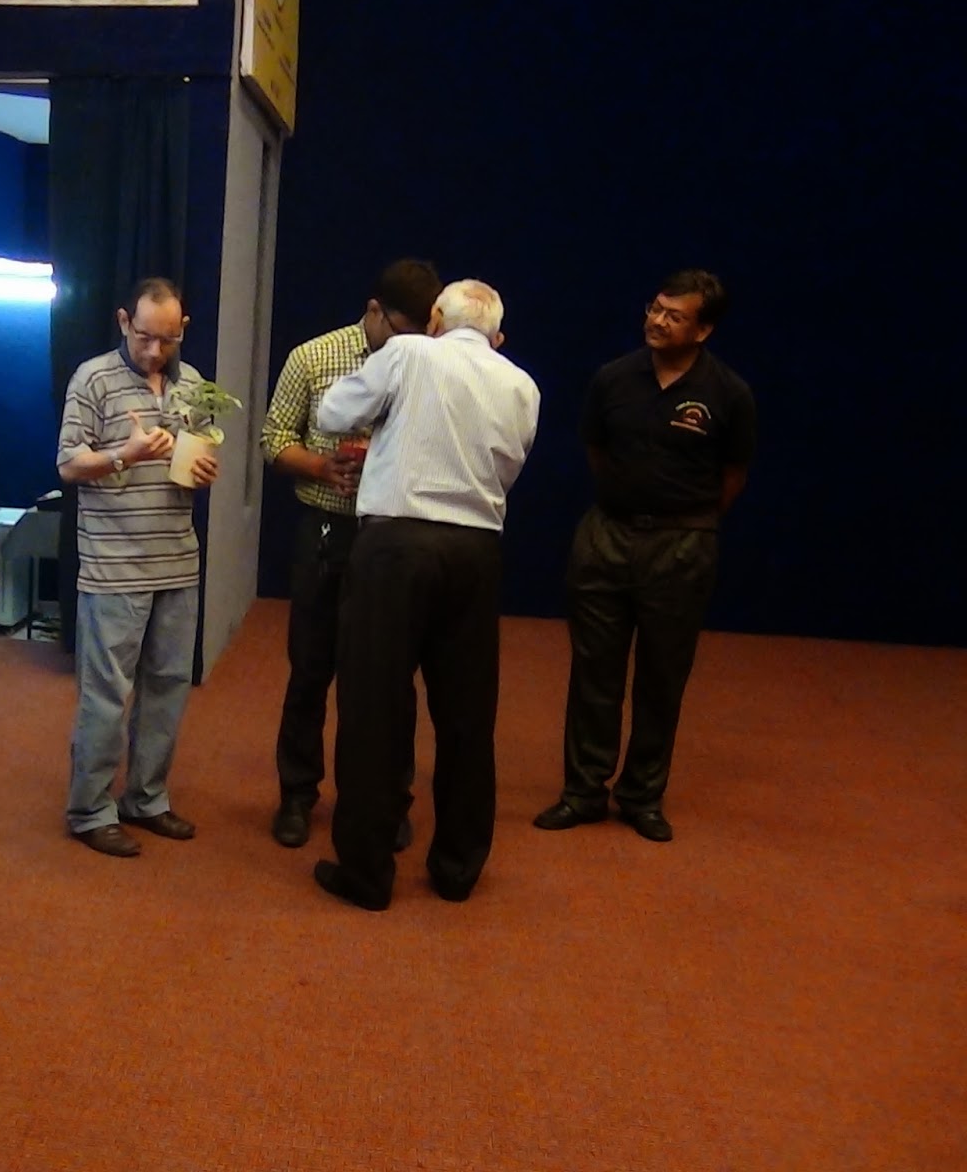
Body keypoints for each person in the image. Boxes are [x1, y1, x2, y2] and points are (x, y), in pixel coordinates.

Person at [312, 280, 539, 910]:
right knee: (468, 714)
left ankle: (367, 873)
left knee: (374, 708)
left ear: (435, 316)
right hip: (477, 551)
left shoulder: (409, 352)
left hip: (396, 545)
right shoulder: (522, 384)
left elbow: (332, 413)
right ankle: (458, 868)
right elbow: (509, 469)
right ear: (497, 336)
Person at [534, 270, 755, 843]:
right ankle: (583, 791)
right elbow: (596, 450)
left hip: (681, 546)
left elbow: (733, 475)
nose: (657, 321)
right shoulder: (613, 378)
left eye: (674, 316)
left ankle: (642, 796)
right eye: (655, 308)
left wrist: (683, 519)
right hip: (607, 536)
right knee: (594, 672)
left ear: (702, 330)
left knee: (662, 677)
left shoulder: (728, 392)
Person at [260, 258, 443, 850]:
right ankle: (297, 795)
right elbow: (273, 439)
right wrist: (321, 466)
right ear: (373, 311)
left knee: (391, 679)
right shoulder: (313, 357)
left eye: (422, 332)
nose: (411, 344)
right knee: (311, 669)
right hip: (327, 528)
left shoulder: (434, 362)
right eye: (402, 330)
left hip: (395, 535)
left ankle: (386, 800)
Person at [57, 277, 220, 858]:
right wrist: (124, 454)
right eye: (145, 336)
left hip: (177, 560)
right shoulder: (93, 378)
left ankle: (146, 798)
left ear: (183, 331)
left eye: (168, 339)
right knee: (105, 695)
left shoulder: (194, 384)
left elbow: (198, 454)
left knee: (168, 687)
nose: (155, 351)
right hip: (114, 565)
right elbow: (69, 465)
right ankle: (89, 810)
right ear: (125, 321)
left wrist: (201, 469)